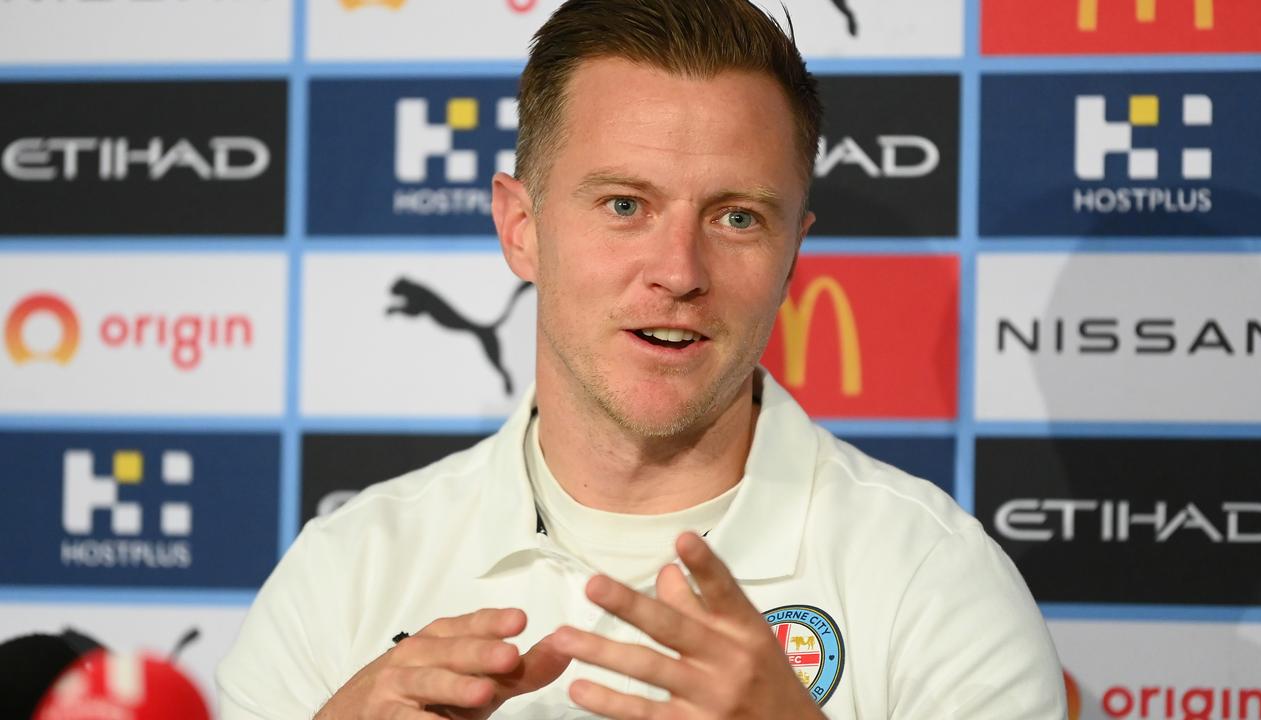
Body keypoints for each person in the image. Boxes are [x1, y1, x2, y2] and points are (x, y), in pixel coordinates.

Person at [217, 1, 1066, 717]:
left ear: (792, 254)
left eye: (736, 217)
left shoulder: (934, 583)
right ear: (522, 229)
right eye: (624, 204)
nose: (679, 272)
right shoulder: (345, 571)